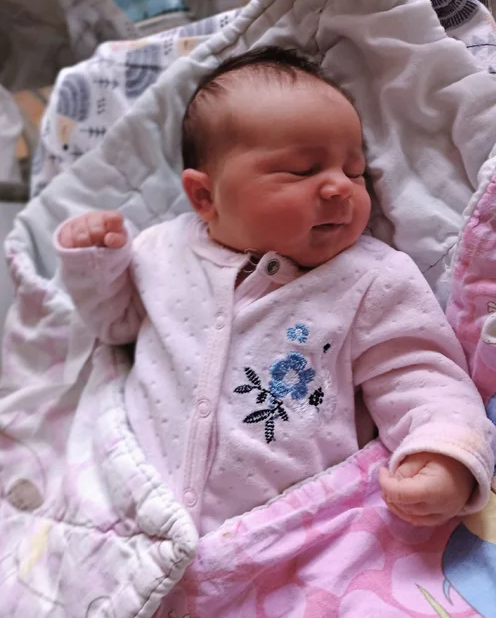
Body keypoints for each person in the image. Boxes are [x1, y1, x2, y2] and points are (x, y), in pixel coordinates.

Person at [55, 46, 495, 536]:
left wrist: (444, 451)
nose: (339, 187)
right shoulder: (160, 250)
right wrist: (95, 263)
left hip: (293, 532)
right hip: (132, 512)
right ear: (204, 196)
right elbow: (115, 325)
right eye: (303, 170)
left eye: (355, 172)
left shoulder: (370, 278)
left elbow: (420, 374)